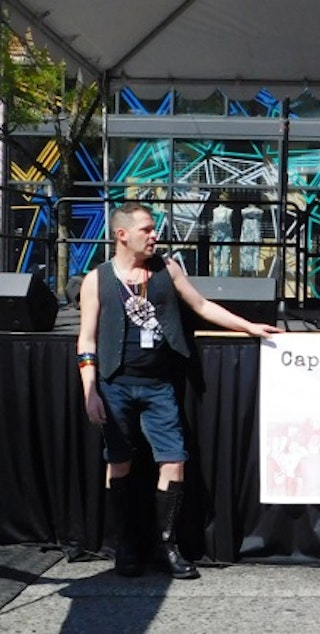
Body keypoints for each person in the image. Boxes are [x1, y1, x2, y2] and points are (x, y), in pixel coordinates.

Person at [77, 201, 283, 579]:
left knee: (173, 460)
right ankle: (126, 545)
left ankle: (167, 544)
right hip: (114, 385)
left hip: (159, 385)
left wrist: (250, 326)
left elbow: (202, 305)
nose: (154, 234)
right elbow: (86, 338)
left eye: (154, 229)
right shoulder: (97, 279)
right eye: (146, 229)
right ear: (122, 234)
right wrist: (90, 390)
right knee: (118, 461)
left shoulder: (167, 268)